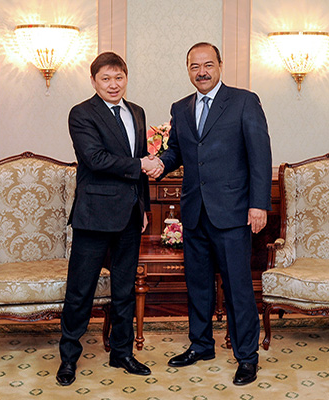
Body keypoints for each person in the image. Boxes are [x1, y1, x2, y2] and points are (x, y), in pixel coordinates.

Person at [158, 42, 272, 386]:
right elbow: (176, 152)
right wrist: (157, 165)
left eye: (208, 64)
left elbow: (260, 155)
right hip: (194, 213)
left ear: (220, 65)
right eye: (195, 66)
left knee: (238, 288)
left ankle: (247, 356)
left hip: (234, 213)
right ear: (188, 70)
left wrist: (259, 204)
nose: (202, 72)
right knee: (198, 285)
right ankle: (201, 345)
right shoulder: (181, 108)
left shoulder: (244, 101)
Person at [56, 52, 163, 386]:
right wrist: (141, 165)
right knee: (80, 290)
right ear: (93, 81)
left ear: (126, 78)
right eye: (106, 78)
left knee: (124, 289)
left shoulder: (137, 112)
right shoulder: (81, 113)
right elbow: (95, 158)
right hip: (94, 215)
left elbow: (139, 162)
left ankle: (122, 352)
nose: (113, 84)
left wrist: (144, 207)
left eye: (119, 77)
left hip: (130, 215)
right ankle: (68, 358)